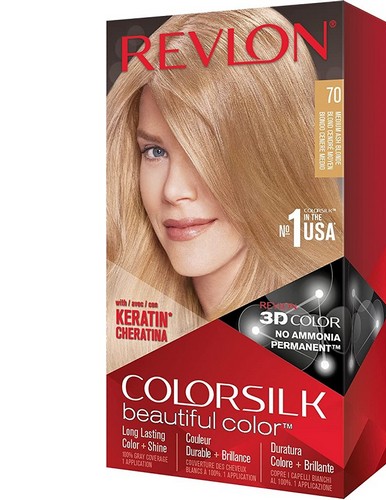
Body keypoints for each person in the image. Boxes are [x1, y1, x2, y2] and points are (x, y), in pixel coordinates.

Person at [106, 8, 344, 369]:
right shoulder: (116, 331)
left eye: (207, 151)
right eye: (155, 151)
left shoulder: (328, 339)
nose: (173, 190)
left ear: (277, 157)